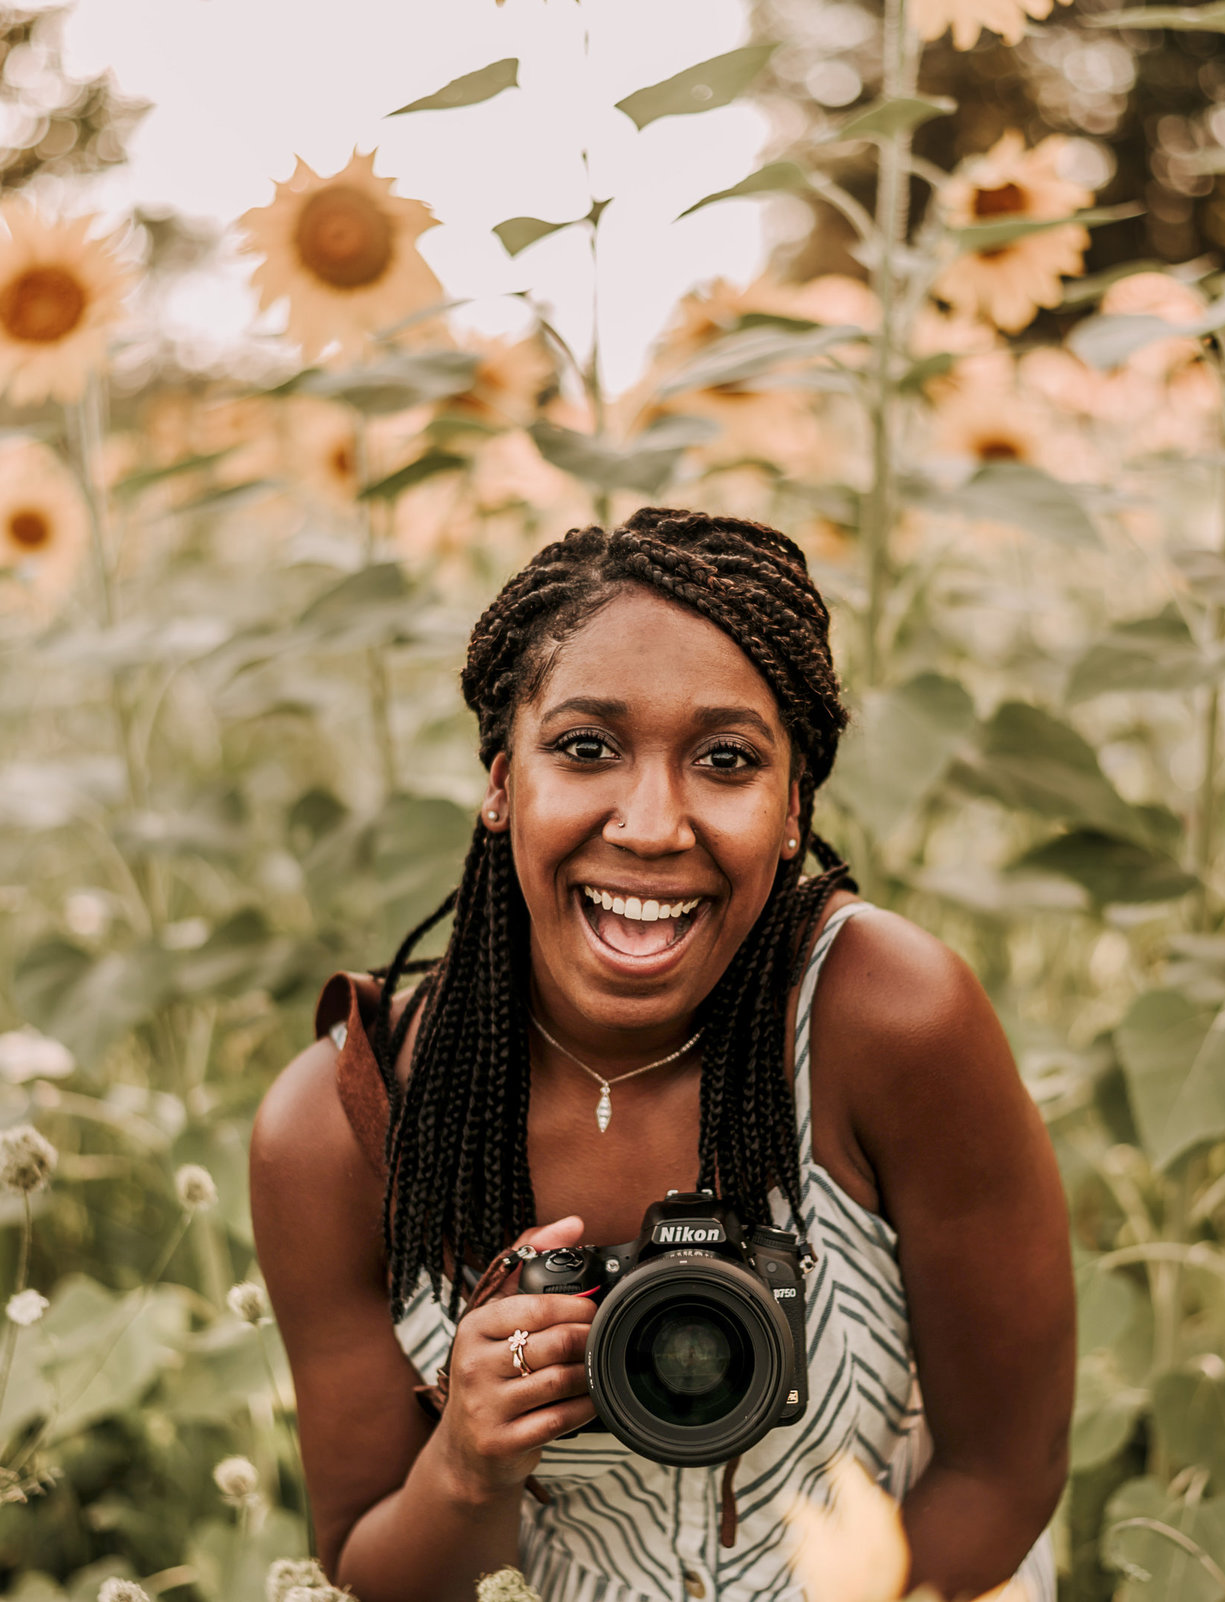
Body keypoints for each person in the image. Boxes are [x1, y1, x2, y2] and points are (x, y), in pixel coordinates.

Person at [250, 508, 1075, 1602]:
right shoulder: (346, 1126)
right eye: (585, 748)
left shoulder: (887, 1023)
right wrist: (465, 1464)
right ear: (501, 783)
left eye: (726, 760)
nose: (650, 824)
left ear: (793, 809)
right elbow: (367, 1571)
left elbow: (1000, 1473)